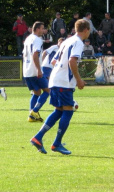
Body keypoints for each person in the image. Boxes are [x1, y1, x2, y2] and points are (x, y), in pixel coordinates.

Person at [30, 19, 90, 155]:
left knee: (59, 111)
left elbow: (53, 60)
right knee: (68, 111)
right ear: (86, 30)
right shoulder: (78, 43)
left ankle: (38, 137)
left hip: (54, 79)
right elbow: (72, 61)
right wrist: (79, 80)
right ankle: (56, 143)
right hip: (64, 82)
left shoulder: (67, 41)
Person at [23, 21, 50, 122]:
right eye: (42, 28)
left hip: (27, 71)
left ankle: (32, 115)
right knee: (47, 91)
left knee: (37, 92)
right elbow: (35, 55)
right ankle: (34, 111)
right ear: (37, 29)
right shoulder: (37, 40)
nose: (44, 31)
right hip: (34, 71)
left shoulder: (28, 39)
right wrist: (39, 70)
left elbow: (24, 55)